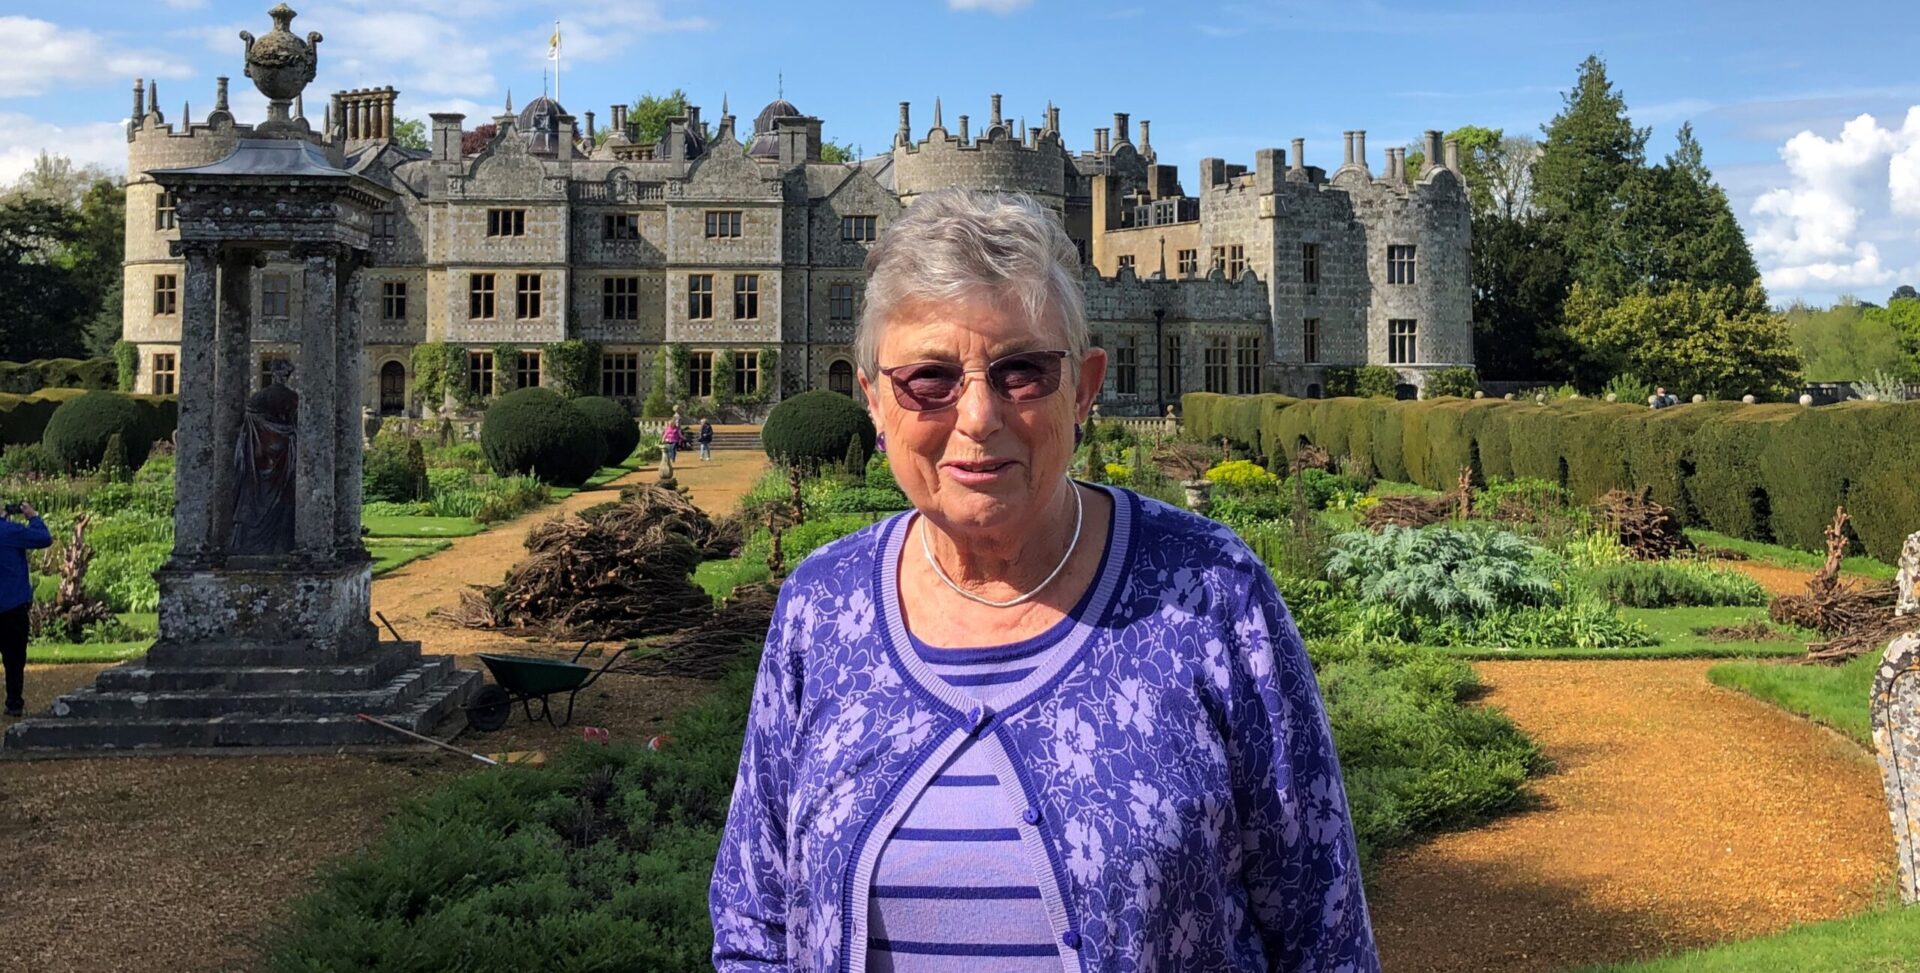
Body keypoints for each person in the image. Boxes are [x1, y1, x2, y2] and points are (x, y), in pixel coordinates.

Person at [711, 189, 1377, 972]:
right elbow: (754, 925)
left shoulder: (1209, 591)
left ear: (1084, 387)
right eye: (929, 378)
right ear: (876, 404)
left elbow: (1323, 935)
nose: (978, 416)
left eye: (1022, 370)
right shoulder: (822, 606)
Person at [1, 499, 52, 718]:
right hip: (12, 604)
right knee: (14, 658)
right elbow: (43, 538)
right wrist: (32, 515)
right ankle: (14, 703)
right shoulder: (11, 532)